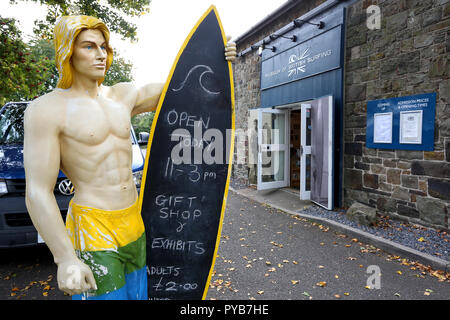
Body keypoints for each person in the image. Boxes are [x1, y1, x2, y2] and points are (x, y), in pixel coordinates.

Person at [24, 15, 236, 300]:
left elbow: (183, 87)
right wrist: (65, 258)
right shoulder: (46, 110)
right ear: (67, 51)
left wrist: (218, 59)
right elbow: (38, 191)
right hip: (93, 227)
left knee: (139, 296)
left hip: (134, 222)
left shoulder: (122, 96)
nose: (101, 55)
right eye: (89, 46)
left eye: (104, 47)